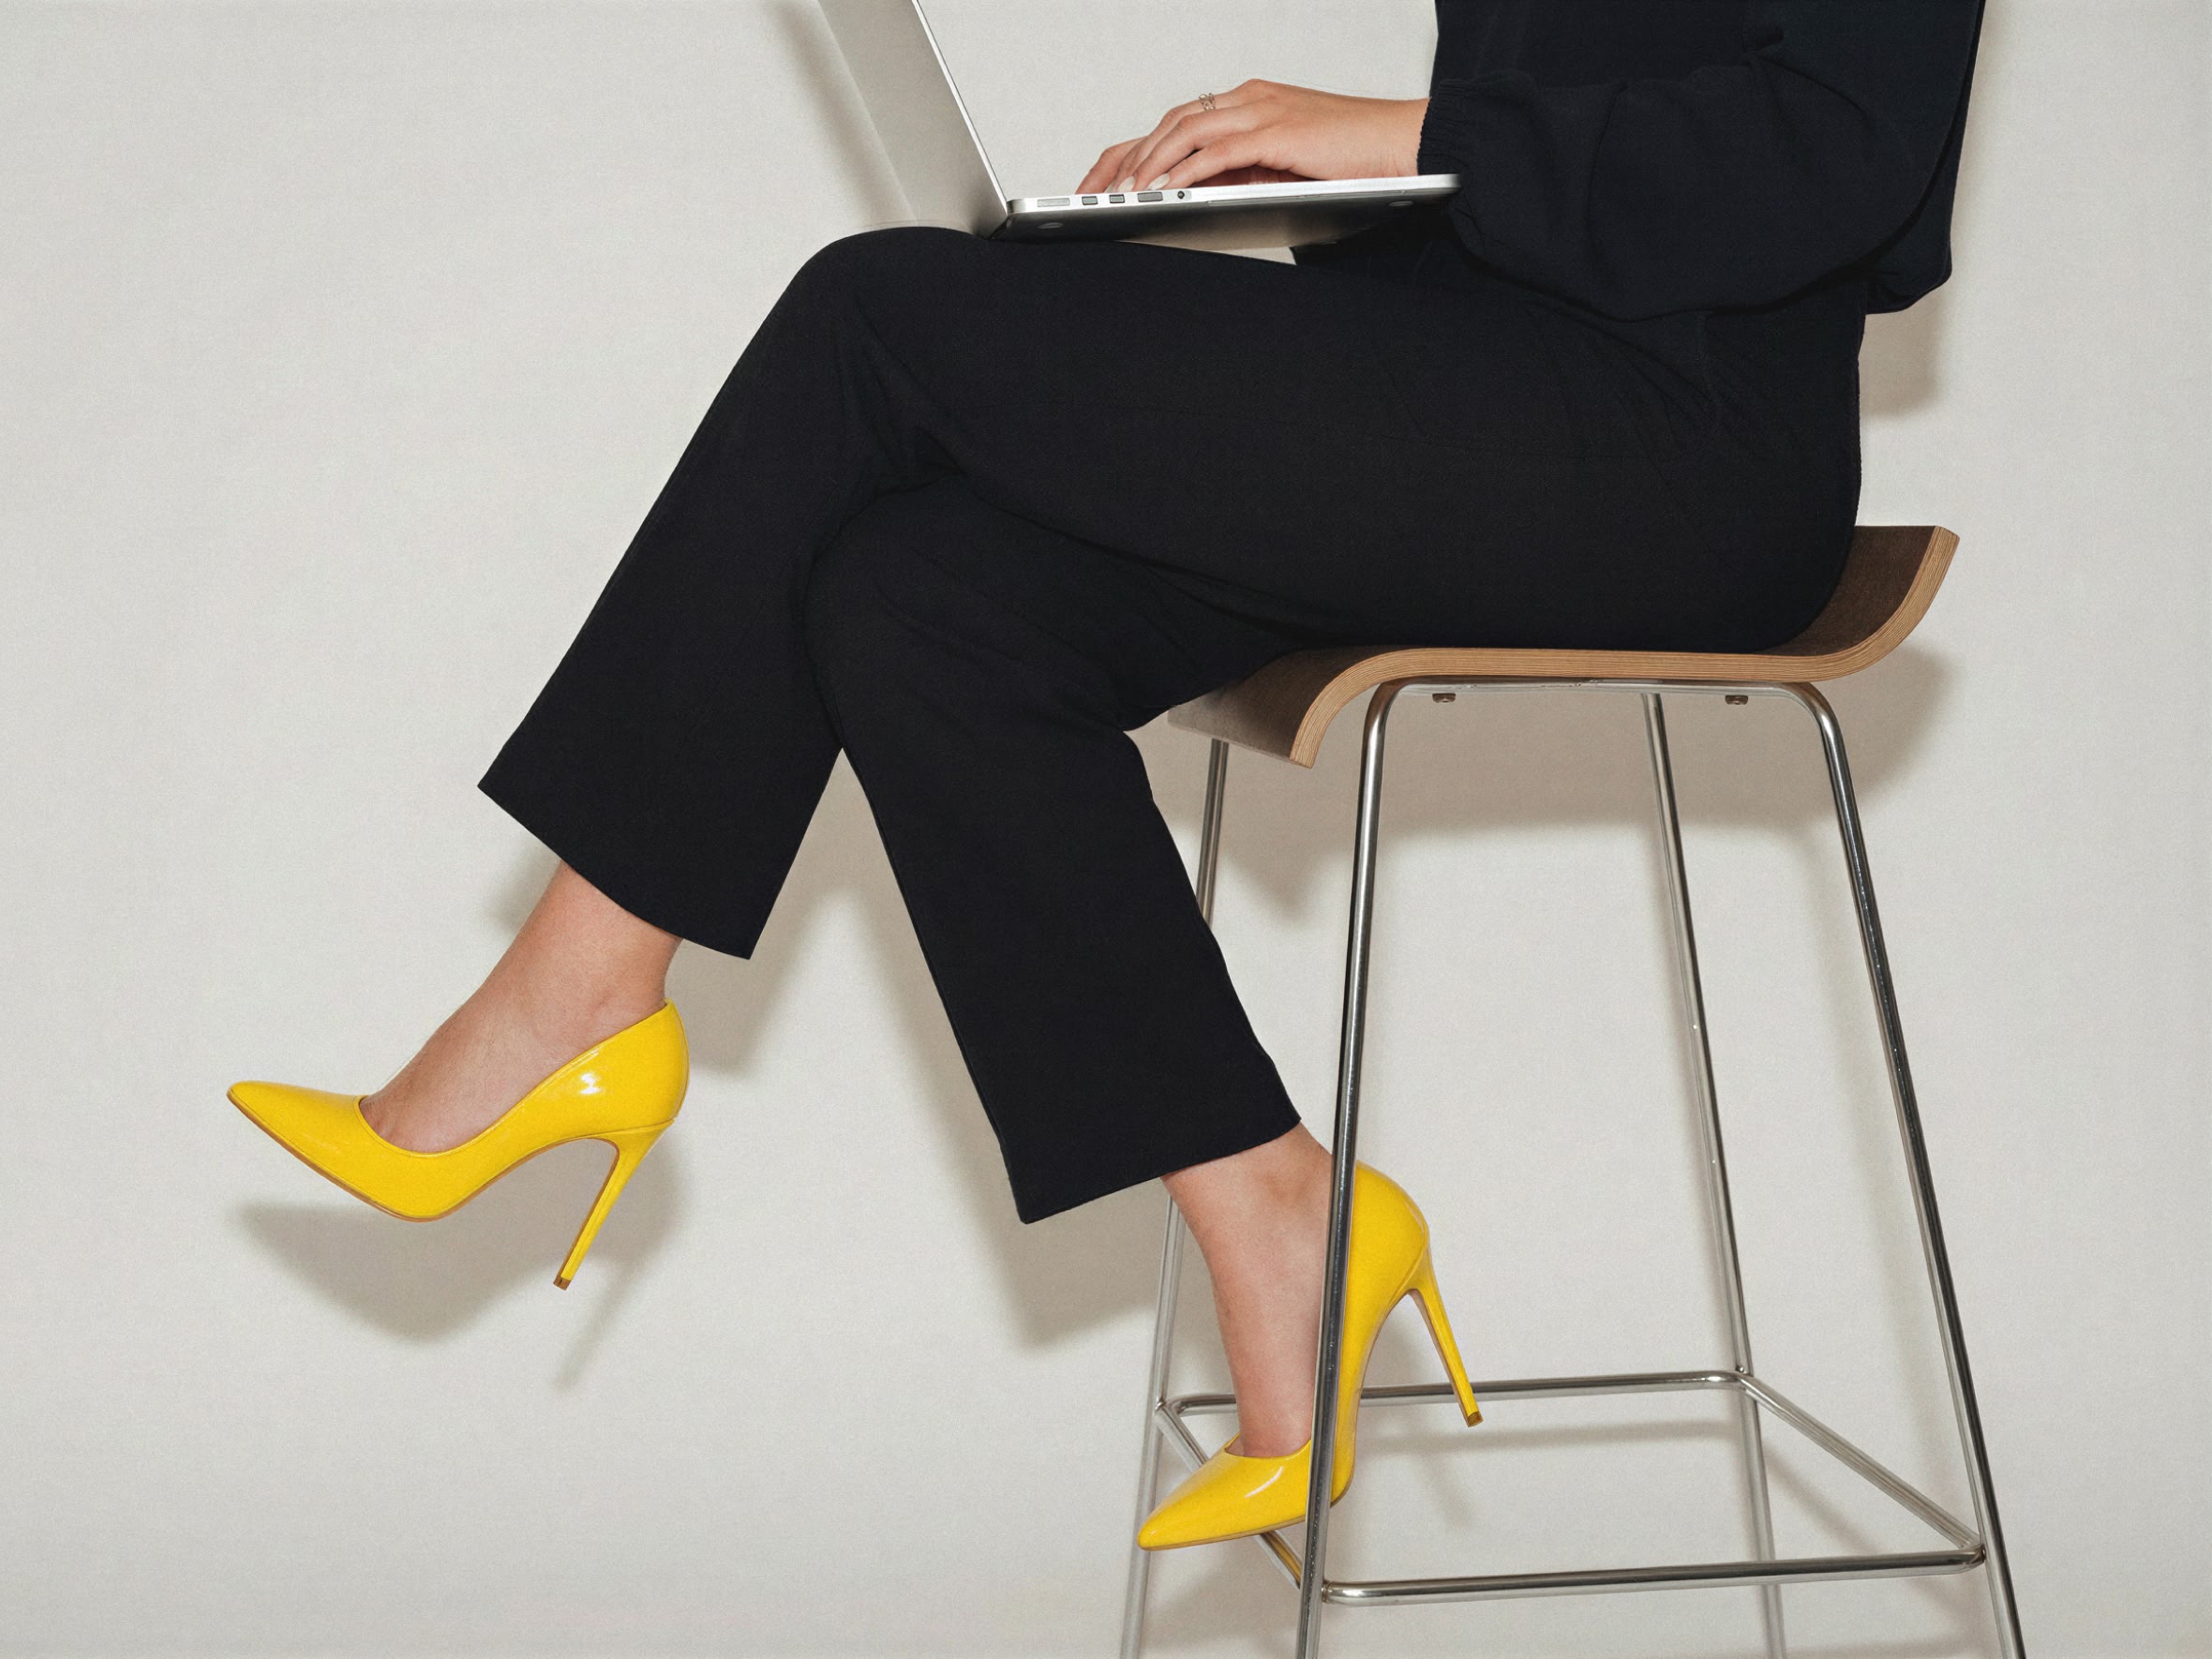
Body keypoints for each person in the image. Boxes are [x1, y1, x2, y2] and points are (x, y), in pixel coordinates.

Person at [228, 0, 1986, 1552]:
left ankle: (577, 995)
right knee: (916, 602)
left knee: (873, 313)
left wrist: (1405, 132)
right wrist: (1335, 197)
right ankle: (1276, 1206)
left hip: (1687, 458)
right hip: (1501, 393)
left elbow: (1845, 155)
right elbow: (1561, 160)